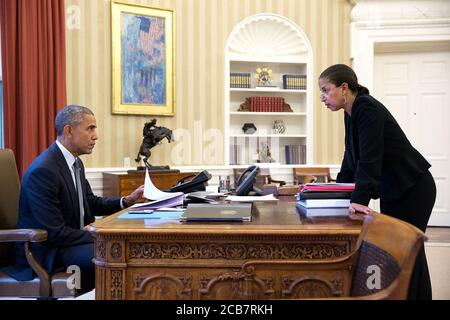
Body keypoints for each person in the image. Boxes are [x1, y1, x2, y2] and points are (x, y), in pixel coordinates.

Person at [318, 64, 436, 300]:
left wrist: (359, 199)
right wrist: (338, 191)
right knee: (403, 252)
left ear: (343, 88)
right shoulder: (351, 112)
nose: (322, 97)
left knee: (407, 251)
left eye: (326, 90)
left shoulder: (366, 107)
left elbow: (370, 157)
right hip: (396, 188)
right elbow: (351, 158)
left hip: (412, 187)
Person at [3, 105, 145, 292]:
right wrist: (98, 233)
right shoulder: (44, 171)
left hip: (69, 242)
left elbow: (91, 203)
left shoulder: (75, 162)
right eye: (90, 128)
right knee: (115, 253)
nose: (96, 136)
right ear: (69, 130)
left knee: (121, 248)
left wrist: (127, 201)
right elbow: (54, 234)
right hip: (46, 252)